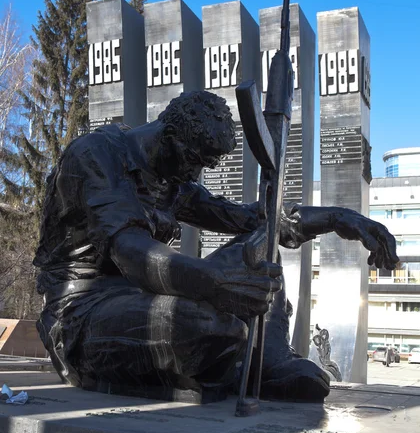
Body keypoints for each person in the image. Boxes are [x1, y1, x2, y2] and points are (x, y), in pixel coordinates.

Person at [34, 90, 398, 401]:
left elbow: (251, 219)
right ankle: (238, 362)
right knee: (205, 325)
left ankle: (268, 361)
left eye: (204, 165)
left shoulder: (171, 175)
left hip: (141, 298)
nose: (195, 175)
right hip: (81, 316)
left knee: (262, 244)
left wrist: (337, 218)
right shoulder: (96, 155)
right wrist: (214, 281)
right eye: (194, 161)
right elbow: (130, 251)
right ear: (167, 134)